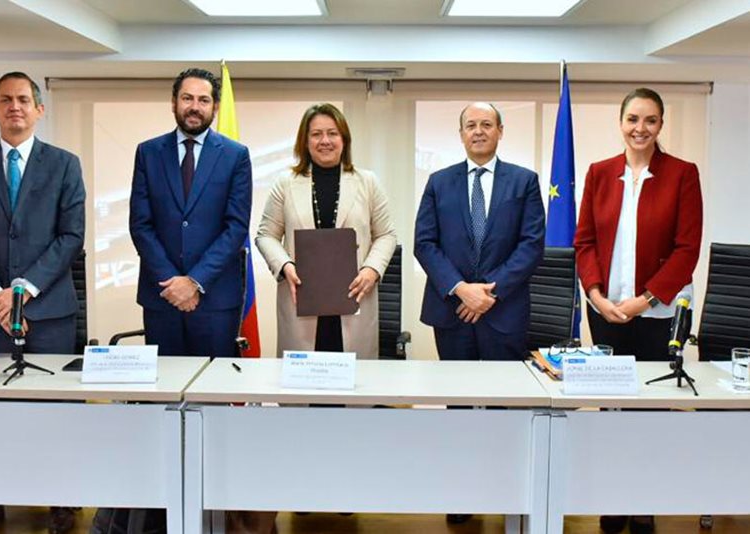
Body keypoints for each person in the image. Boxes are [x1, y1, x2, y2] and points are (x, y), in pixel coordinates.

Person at [0, 72, 85, 534]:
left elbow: (71, 237)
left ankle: (61, 497)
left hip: (48, 312)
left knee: (54, 412)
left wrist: (22, 290)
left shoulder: (65, 164)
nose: (15, 107)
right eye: (5, 100)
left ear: (39, 109)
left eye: (24, 100)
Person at [574, 87, 703, 534]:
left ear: (661, 125)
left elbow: (687, 250)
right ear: (621, 122)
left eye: (650, 120)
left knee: (649, 412)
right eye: (633, 119)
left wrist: (645, 299)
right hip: (605, 310)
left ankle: (643, 500)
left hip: (656, 315)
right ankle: (612, 498)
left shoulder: (682, 174)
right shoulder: (599, 173)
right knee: (611, 410)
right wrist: (597, 296)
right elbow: (584, 242)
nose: (640, 128)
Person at [256, 103, 396, 358]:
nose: (325, 141)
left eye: (332, 133)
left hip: (354, 295)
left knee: (353, 384)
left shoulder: (368, 182)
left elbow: (386, 235)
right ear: (305, 141)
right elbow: (266, 235)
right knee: (304, 385)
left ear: (344, 139)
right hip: (302, 295)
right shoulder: (285, 183)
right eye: (316, 134)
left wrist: (371, 269)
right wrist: (285, 265)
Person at [129, 68, 252, 357]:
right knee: (165, 391)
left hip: (216, 299)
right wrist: (173, 283)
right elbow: (140, 224)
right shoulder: (148, 153)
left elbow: (235, 228)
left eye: (203, 100)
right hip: (162, 296)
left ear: (215, 107)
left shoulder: (236, 155)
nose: (194, 107)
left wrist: (195, 281)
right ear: (174, 102)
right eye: (187, 98)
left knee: (214, 390)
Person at [415, 102, 545, 363]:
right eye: (471, 126)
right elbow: (425, 243)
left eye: (486, 125)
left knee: (505, 397)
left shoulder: (524, 181)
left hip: (504, 309)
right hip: (453, 310)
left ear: (500, 131)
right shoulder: (438, 182)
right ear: (461, 133)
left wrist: (488, 294)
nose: (478, 131)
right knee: (458, 396)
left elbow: (531, 245)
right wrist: (462, 289)